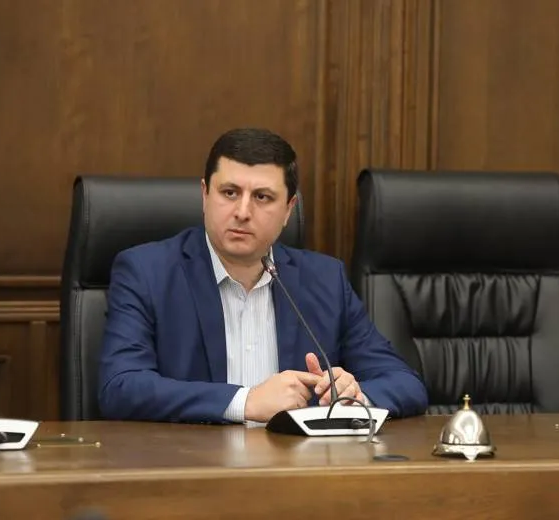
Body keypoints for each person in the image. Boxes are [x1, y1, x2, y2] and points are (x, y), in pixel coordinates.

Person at [98, 128, 428, 424]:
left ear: (288, 209)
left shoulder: (324, 280)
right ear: (205, 195)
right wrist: (246, 402)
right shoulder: (147, 272)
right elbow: (120, 387)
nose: (242, 212)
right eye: (229, 192)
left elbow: (404, 383)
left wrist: (354, 398)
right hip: (192, 465)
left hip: (298, 467)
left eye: (262, 197)